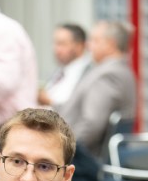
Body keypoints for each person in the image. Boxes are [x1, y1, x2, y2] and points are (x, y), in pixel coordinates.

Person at [57, 20, 137, 159]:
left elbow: (91, 125)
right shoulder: (120, 71)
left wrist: (61, 151)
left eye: (95, 40)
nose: (88, 45)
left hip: (82, 160)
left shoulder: (107, 75)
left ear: (110, 44)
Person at [38, 23, 91, 109]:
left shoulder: (89, 74)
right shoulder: (59, 71)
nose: (56, 49)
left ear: (79, 46)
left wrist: (50, 102)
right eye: (55, 43)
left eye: (62, 44)